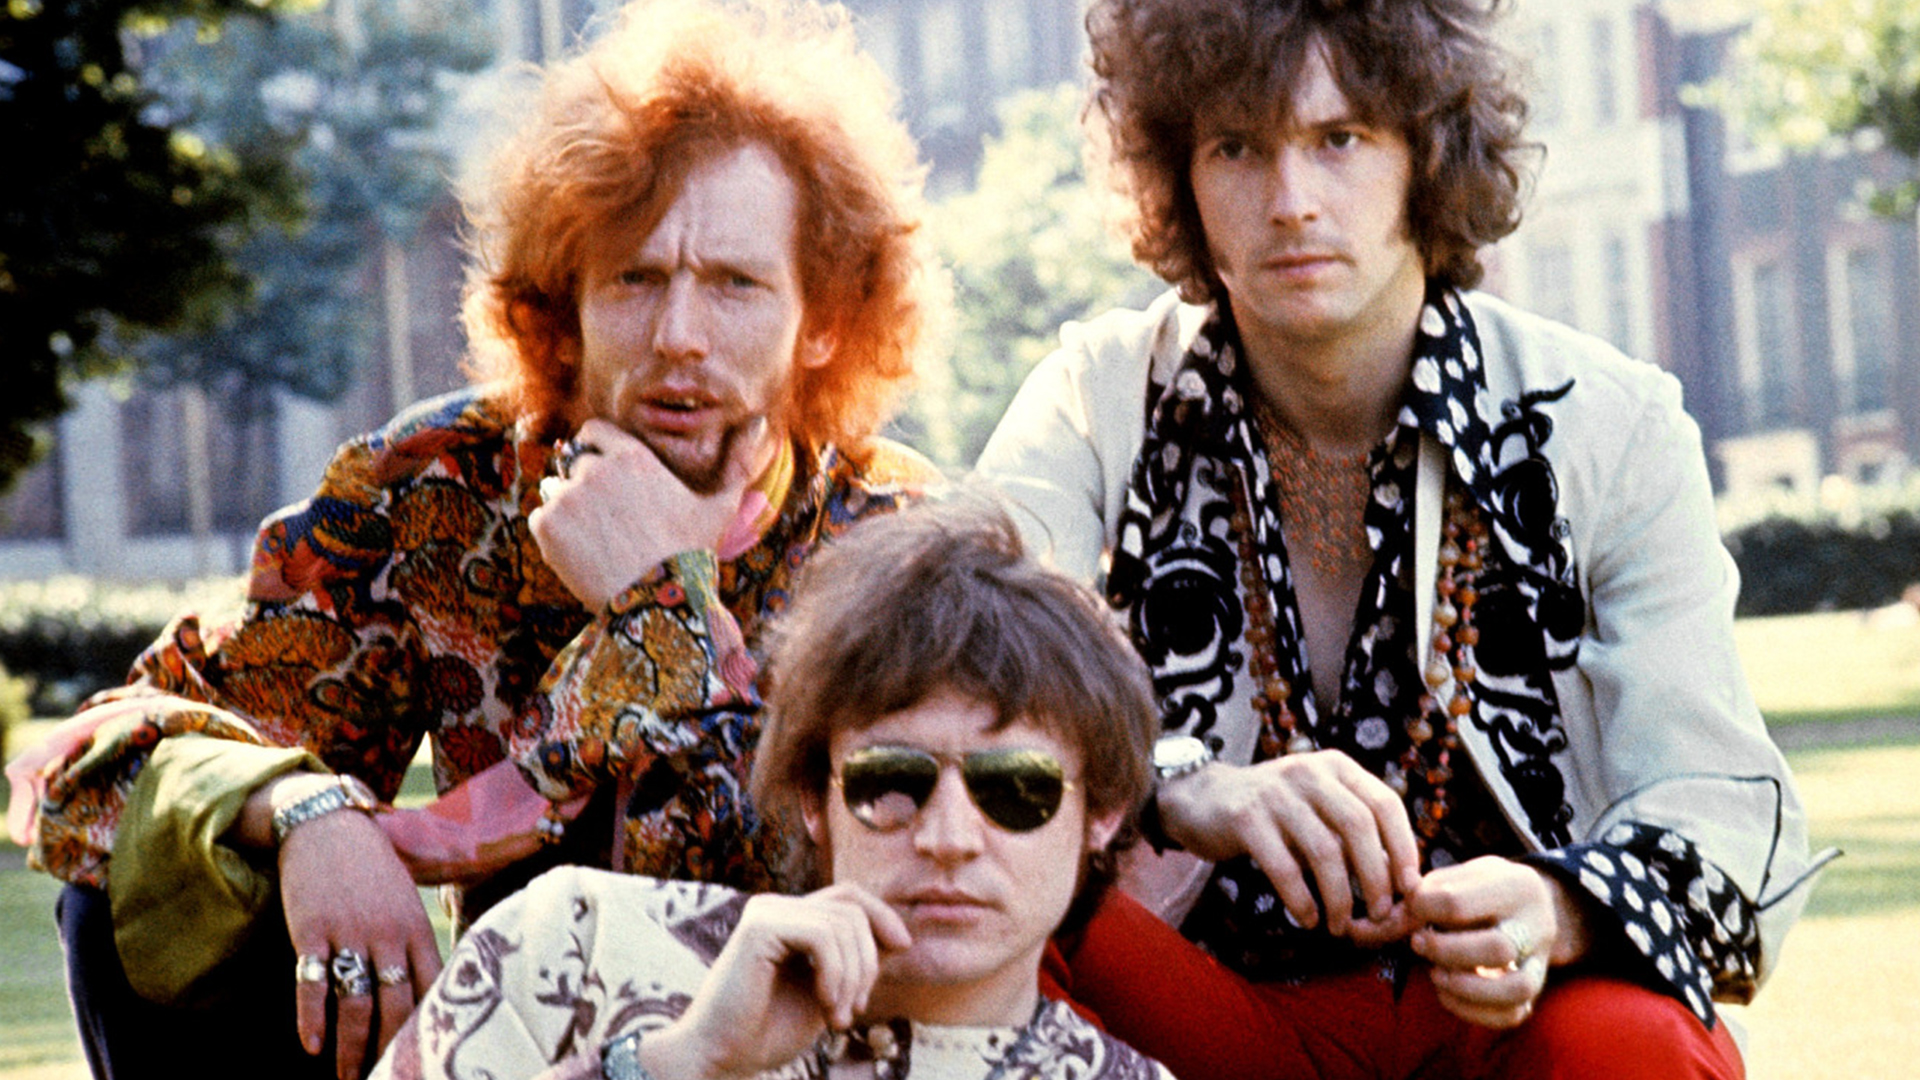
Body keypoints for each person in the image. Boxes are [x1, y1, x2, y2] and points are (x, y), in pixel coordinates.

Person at [4, 2, 942, 1077]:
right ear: (566, 307)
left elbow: (908, 892)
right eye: (635, 279)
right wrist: (305, 809)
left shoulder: (899, 543)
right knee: (175, 866)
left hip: (779, 1054)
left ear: (824, 322)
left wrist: (658, 605)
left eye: (736, 284)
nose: (679, 337)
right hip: (500, 1050)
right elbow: (95, 777)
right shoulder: (443, 485)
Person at [973, 1, 1824, 1077]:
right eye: (1237, 148)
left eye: (1340, 139)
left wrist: (1562, 908)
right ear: (1178, 176)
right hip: (1202, 1006)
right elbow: (952, 696)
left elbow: (1723, 810)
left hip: (1501, 1011)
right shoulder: (1096, 403)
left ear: (1427, 153)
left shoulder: (1612, 427)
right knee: (994, 922)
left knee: (1634, 1043)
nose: (1290, 201)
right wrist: (1179, 786)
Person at [367, 499, 1170, 1080]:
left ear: (1100, 814)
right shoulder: (577, 943)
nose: (948, 838)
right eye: (891, 781)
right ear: (815, 801)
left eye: (1016, 788)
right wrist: (677, 1063)